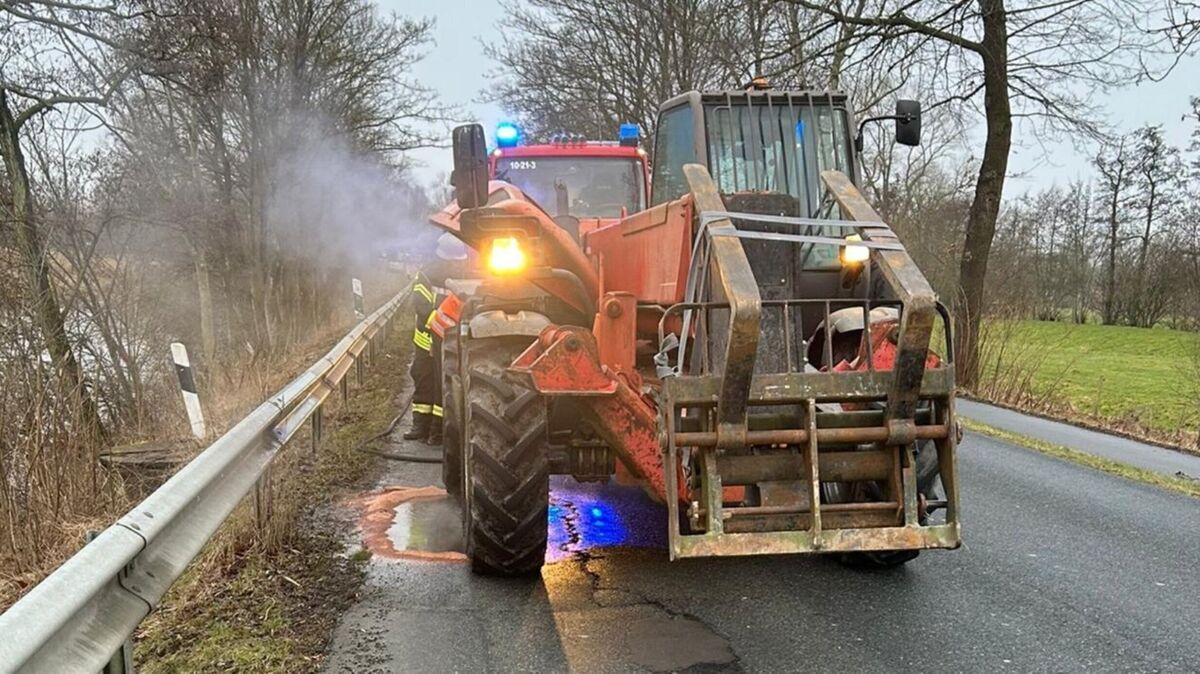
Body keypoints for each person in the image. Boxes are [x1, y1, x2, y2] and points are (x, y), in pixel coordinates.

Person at [404, 233, 470, 444]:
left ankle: (438, 431)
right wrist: (437, 325)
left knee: (446, 383)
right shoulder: (427, 275)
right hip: (427, 338)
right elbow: (421, 304)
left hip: (451, 339)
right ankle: (420, 426)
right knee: (424, 378)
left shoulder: (467, 275)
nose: (454, 265)